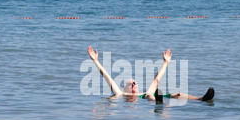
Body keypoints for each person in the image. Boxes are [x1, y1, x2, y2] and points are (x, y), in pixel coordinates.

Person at [87, 46, 215, 103]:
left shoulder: (143, 92)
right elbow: (107, 78)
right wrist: (96, 61)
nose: (133, 83)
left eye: (134, 82)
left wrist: (166, 62)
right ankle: (157, 102)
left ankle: (201, 99)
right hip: (150, 98)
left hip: (152, 97)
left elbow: (157, 79)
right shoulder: (121, 94)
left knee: (178, 94)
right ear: (125, 88)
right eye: (130, 83)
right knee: (150, 94)